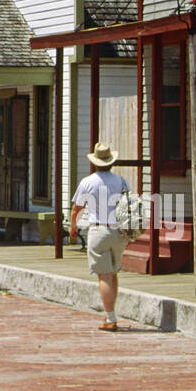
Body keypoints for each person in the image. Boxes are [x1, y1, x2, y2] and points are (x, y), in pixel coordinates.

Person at [69, 141, 131, 331]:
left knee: (103, 276)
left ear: (95, 162)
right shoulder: (121, 181)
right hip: (119, 231)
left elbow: (76, 208)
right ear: (111, 162)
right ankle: (110, 315)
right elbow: (128, 205)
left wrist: (73, 227)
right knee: (112, 273)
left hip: (98, 230)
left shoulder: (87, 182)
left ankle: (110, 319)